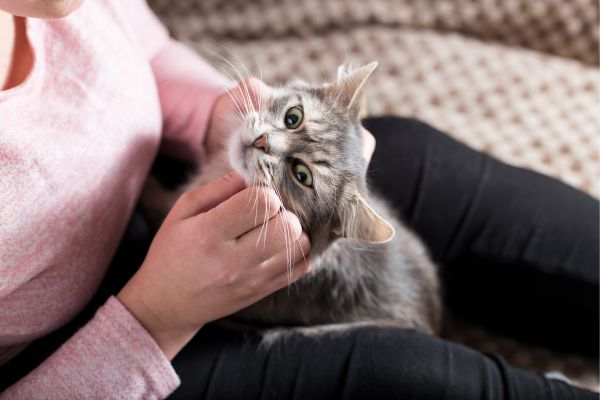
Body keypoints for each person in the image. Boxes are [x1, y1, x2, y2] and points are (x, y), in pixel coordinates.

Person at [0, 0, 597, 399]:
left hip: (152, 188)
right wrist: (161, 315)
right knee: (401, 373)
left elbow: (145, 50)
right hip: (90, 348)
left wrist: (216, 118)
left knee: (416, 155)